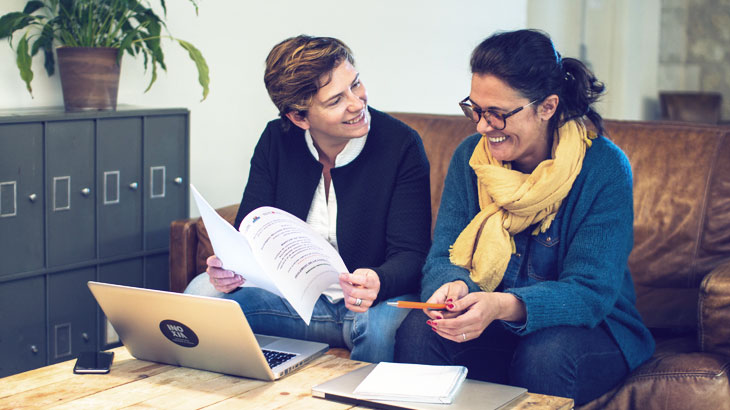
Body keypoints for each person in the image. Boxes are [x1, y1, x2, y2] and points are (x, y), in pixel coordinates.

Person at [393, 29, 654, 405]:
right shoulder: (471, 158)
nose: (483, 126)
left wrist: (501, 305)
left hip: (590, 330)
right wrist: (454, 287)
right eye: (475, 110)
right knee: (421, 329)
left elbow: (590, 293)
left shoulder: (604, 168)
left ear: (547, 107)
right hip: (491, 318)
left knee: (545, 353)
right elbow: (443, 256)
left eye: (498, 114)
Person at [185, 35, 432, 363]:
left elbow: (412, 254)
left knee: (380, 327)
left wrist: (378, 280)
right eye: (335, 101)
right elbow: (250, 231)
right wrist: (230, 267)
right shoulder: (276, 140)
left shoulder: (401, 144)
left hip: (368, 305)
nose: (357, 104)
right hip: (292, 301)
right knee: (203, 293)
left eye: (355, 85)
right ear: (299, 118)